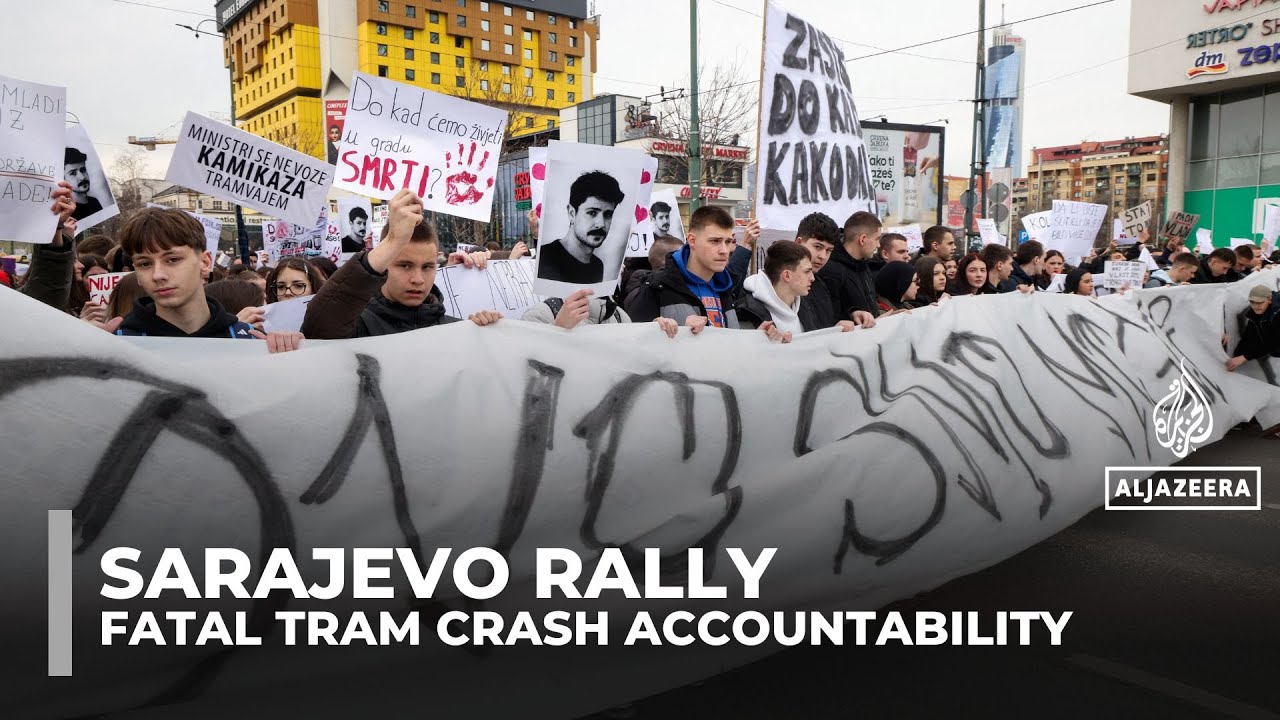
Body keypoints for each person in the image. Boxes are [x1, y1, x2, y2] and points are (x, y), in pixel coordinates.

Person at [301, 189, 502, 339]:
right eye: (405, 265)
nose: (417, 280)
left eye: (427, 267)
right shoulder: (358, 326)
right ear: (385, 263)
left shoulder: (456, 330)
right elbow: (318, 327)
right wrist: (392, 242)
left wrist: (486, 333)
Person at [109, 208, 302, 351]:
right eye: (144, 264)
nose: (158, 274)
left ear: (205, 262)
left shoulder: (251, 340)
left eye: (173, 260)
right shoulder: (116, 345)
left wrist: (291, 353)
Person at [624, 205, 787, 341]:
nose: (724, 250)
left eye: (728, 241)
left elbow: (727, 349)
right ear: (692, 240)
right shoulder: (656, 287)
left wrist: (757, 339)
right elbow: (631, 349)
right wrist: (656, 329)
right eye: (715, 241)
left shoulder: (726, 288)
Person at [537, 170, 624, 285]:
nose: (601, 224)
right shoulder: (544, 259)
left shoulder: (597, 265)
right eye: (592, 213)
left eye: (608, 214)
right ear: (572, 214)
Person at [793, 212, 873, 331]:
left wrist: (852, 314)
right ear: (799, 243)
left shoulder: (820, 282)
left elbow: (829, 319)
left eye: (829, 250)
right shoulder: (780, 282)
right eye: (818, 247)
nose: (823, 256)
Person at [735, 241, 814, 336]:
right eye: (807, 271)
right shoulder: (747, 312)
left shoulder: (804, 306)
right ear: (787, 275)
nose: (812, 278)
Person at [818, 210, 883, 319]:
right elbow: (830, 317)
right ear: (862, 239)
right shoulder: (831, 271)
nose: (878, 245)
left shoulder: (864, 265)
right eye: (877, 239)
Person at [1225, 285, 1280, 371]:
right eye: (1252, 302)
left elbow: (1274, 343)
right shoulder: (1256, 312)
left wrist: (1245, 357)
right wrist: (1236, 356)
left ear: (1269, 299)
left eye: (1260, 302)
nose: (1255, 306)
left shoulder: (1278, 314)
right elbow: (1249, 335)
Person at [64, 147, 103, 221]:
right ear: (63, 179)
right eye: (73, 173)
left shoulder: (94, 202)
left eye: (83, 170)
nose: (82, 177)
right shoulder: (66, 210)